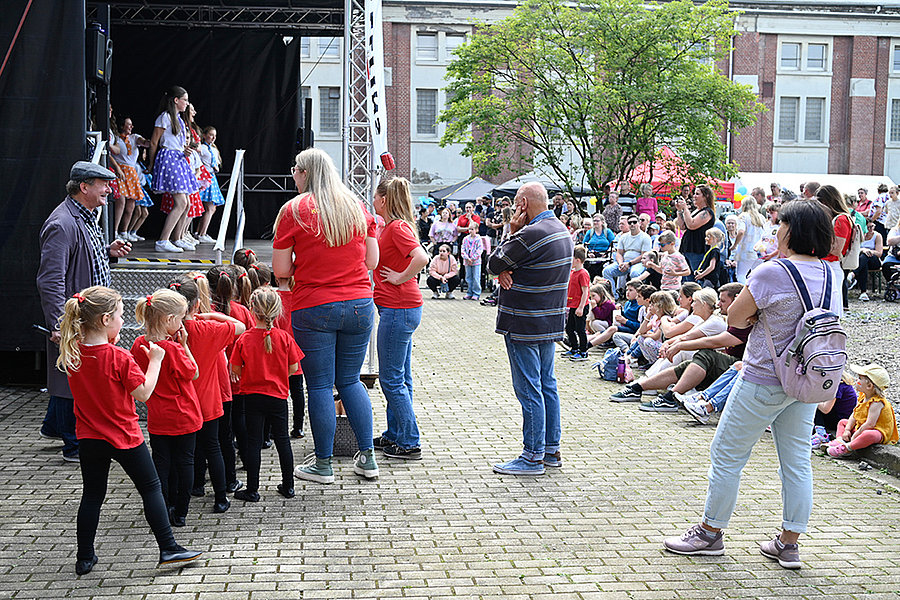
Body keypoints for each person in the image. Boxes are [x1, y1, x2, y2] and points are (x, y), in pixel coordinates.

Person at [663, 200, 840, 570]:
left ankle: (710, 532)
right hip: (805, 380)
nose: (775, 229)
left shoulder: (772, 271)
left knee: (727, 455)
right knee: (796, 463)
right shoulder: (831, 274)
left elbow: (736, 316)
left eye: (780, 224)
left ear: (791, 230)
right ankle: (788, 544)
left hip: (763, 378)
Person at [56, 286, 202, 575]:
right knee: (151, 488)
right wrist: (156, 361)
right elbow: (144, 393)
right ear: (106, 319)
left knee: (92, 495)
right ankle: (169, 547)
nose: (124, 321)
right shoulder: (118, 356)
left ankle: (85, 556)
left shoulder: (73, 354)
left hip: (89, 437)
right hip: (124, 436)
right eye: (121, 316)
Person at [272, 147, 380, 484]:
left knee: (318, 384)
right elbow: (372, 262)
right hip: (360, 304)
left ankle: (323, 464)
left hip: (313, 305)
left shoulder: (293, 211)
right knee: (349, 380)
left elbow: (280, 270)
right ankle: (367, 458)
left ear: (304, 172)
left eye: (294, 169)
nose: (293, 174)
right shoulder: (357, 207)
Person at [36, 161, 131, 463]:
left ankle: (54, 425)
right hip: (76, 320)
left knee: (70, 374)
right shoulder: (61, 223)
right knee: (70, 377)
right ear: (84, 187)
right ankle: (73, 444)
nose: (108, 189)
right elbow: (50, 279)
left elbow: (82, 257)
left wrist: (107, 252)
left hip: (88, 317)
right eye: (102, 183)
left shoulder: (86, 217)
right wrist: (59, 325)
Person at [486, 182, 573, 475]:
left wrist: (510, 231)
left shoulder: (528, 234)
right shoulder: (562, 229)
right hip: (549, 321)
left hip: (524, 321)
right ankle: (551, 449)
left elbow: (494, 261)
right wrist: (505, 270)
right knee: (547, 384)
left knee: (529, 388)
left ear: (522, 203)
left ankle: (532, 456)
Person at [371, 177, 430, 460]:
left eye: (375, 196)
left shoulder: (396, 228)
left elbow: (421, 257)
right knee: (400, 378)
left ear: (384, 199)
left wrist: (400, 277)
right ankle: (395, 434)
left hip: (398, 308)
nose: (372, 200)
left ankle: (408, 440)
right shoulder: (394, 226)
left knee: (392, 379)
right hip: (400, 308)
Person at [230, 287, 301, 501]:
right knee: (282, 441)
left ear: (252, 310)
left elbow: (235, 370)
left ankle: (252, 489)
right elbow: (294, 367)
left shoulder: (244, 339)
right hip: (278, 396)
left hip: (252, 396)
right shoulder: (284, 338)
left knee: (253, 442)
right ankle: (288, 486)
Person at [148, 86, 197, 253]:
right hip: (169, 159)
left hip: (179, 158)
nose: (187, 103)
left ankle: (177, 238)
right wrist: (151, 164)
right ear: (176, 100)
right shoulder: (165, 117)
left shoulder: (179, 120)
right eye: (185, 100)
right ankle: (163, 240)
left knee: (187, 202)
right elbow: (154, 142)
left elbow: (176, 142)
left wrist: (185, 150)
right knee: (181, 202)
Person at [826, 364, 898, 458]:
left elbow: (870, 425)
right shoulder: (863, 397)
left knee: (870, 434)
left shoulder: (877, 403)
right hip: (861, 427)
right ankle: (840, 440)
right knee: (843, 422)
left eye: (860, 378)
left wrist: (856, 434)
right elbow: (855, 414)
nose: (857, 380)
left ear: (869, 386)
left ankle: (848, 448)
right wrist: (847, 430)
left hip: (875, 430)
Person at [110, 116, 149, 241]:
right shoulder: (115, 138)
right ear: (122, 126)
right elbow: (111, 153)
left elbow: (144, 142)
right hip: (120, 170)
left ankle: (124, 231)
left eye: (131, 124)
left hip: (131, 172)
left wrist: (151, 140)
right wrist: (117, 169)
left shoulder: (134, 137)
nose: (131, 127)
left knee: (130, 206)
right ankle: (114, 231)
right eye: (128, 124)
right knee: (120, 201)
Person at [602, 214, 652, 296]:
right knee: (607, 271)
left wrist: (629, 263)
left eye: (634, 222)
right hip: (624, 262)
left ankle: (636, 297)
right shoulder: (623, 237)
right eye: (630, 222)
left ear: (639, 223)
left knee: (635, 273)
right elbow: (619, 253)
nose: (632, 224)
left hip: (639, 263)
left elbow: (644, 256)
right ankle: (613, 296)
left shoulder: (645, 237)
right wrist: (621, 263)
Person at [675, 185, 716, 275]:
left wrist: (685, 208)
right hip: (687, 247)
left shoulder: (707, 212)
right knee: (685, 278)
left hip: (697, 249)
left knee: (694, 277)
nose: (694, 196)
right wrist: (679, 210)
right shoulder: (696, 211)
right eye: (694, 194)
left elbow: (691, 225)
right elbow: (682, 226)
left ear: (706, 196)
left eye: (697, 194)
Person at [195, 126, 225, 243]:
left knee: (212, 208)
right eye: (211, 135)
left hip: (212, 177)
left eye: (215, 136)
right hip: (204, 177)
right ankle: (202, 234)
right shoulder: (201, 148)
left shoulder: (213, 149)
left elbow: (216, 162)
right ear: (204, 135)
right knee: (209, 207)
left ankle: (200, 232)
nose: (213, 138)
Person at [563, 246, 591, 361]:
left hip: (580, 306)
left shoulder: (583, 273)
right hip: (573, 305)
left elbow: (585, 292)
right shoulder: (573, 272)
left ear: (578, 260)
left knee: (580, 329)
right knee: (569, 328)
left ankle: (583, 351)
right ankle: (574, 348)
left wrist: (580, 307)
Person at [847, 219, 883, 301]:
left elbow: (879, 253)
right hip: (861, 260)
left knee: (866, 256)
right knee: (864, 261)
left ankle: (853, 274)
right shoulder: (860, 235)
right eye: (868, 227)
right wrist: (863, 250)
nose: (871, 229)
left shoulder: (877, 236)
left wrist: (869, 251)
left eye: (872, 226)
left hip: (874, 260)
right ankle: (863, 293)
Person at [733, 197, 766, 283]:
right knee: (757, 277)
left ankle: (743, 294)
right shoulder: (761, 217)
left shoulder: (743, 216)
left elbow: (741, 232)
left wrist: (734, 245)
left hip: (746, 250)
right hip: (759, 251)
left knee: (741, 275)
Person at [461, 222, 484, 301]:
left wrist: (473, 258)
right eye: (469, 229)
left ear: (476, 230)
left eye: (472, 229)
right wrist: (467, 257)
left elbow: (479, 250)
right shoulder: (465, 239)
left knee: (476, 277)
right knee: (468, 277)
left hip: (476, 262)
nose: (470, 231)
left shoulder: (478, 239)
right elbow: (463, 249)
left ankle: (476, 293)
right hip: (467, 262)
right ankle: (469, 292)